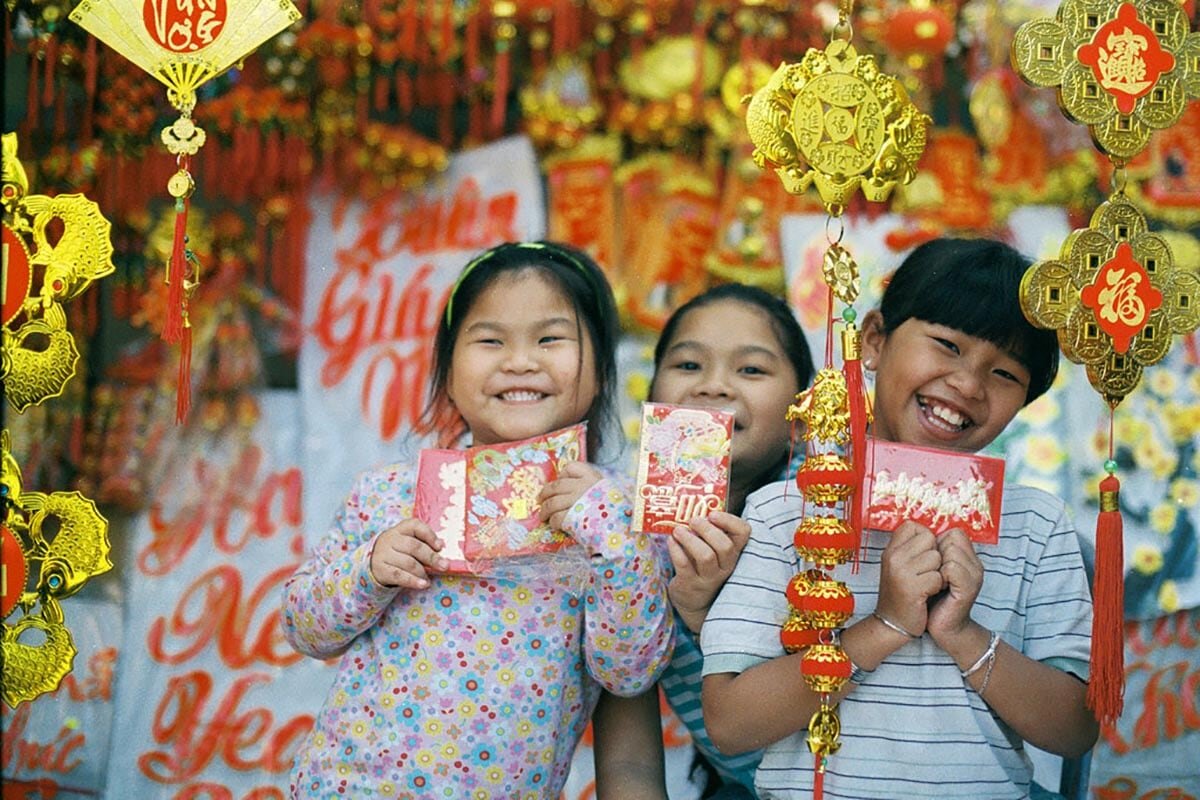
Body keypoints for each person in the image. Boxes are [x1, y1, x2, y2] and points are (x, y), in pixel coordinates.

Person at [700, 238, 1100, 799]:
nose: (968, 384)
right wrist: (884, 626)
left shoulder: (1035, 525)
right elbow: (730, 722)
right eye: (947, 345)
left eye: (1005, 374)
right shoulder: (790, 510)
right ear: (874, 341)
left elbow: (1075, 729)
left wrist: (962, 635)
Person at [282, 240, 675, 798]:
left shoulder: (616, 518)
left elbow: (628, 671)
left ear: (601, 374)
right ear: (447, 371)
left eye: (550, 338)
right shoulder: (390, 494)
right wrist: (369, 569)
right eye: (490, 340)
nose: (520, 360)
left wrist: (612, 540)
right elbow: (304, 626)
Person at [591, 284, 816, 799]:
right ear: (649, 399)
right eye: (688, 366)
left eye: (751, 370)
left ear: (803, 413)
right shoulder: (625, 537)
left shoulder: (829, 512)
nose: (714, 387)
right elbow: (629, 760)